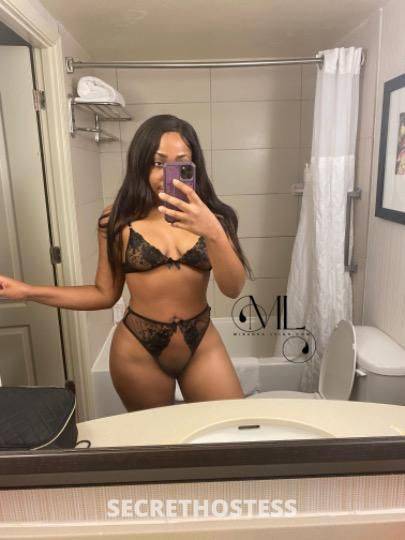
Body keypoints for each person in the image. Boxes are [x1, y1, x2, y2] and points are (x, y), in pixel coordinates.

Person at [0, 114, 253, 411]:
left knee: (230, 425)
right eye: (157, 163)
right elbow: (104, 294)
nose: (167, 175)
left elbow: (232, 289)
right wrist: (28, 291)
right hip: (138, 351)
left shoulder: (216, 219)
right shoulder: (118, 220)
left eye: (180, 163)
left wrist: (212, 231)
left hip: (201, 343)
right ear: (140, 164)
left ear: (194, 166)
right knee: (155, 438)